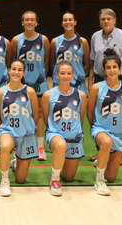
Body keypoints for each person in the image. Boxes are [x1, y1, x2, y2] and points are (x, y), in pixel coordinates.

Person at [88, 8, 122, 164]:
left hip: (120, 79)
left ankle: (121, 154)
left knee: (119, 115)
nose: (106, 21)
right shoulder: (95, 36)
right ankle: (103, 151)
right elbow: (92, 61)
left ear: (115, 20)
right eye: (103, 19)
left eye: (109, 18)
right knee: (100, 116)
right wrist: (90, 81)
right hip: (99, 78)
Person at [87, 49, 122, 196]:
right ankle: (99, 181)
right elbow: (90, 112)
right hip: (101, 129)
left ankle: (103, 160)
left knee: (112, 178)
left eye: (114, 67)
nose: (112, 70)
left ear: (120, 68)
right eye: (108, 67)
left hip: (119, 133)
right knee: (106, 142)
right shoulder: (97, 87)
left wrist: (118, 125)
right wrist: (96, 128)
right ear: (104, 69)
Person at [0, 59, 40, 197]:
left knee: (21, 180)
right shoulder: (1, 91)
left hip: (25, 134)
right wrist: (0, 139)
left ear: (24, 73)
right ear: (9, 70)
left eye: (19, 70)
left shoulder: (30, 91)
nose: (16, 72)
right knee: (5, 147)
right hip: (8, 131)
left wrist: (28, 128)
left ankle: (15, 164)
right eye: (14, 69)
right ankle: (4, 180)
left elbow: (36, 115)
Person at [41, 61, 87, 196]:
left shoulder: (81, 95)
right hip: (55, 135)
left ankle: (60, 168)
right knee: (60, 145)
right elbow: (46, 118)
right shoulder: (48, 95)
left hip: (74, 139)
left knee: (69, 177)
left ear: (73, 75)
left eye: (68, 73)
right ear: (57, 75)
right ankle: (54, 181)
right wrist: (55, 133)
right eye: (62, 73)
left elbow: (81, 118)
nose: (65, 76)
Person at [10, 11, 50, 161]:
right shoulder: (16, 40)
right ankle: (17, 147)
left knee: (38, 113)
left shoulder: (43, 39)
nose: (29, 22)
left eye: (32, 20)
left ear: (36, 22)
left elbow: (47, 61)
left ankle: (40, 147)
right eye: (27, 20)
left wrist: (39, 74)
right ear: (22, 22)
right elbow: (12, 60)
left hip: (39, 81)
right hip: (22, 82)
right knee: (19, 113)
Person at [50, 11, 90, 94]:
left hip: (78, 83)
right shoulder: (55, 41)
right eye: (65, 20)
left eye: (70, 20)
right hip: (60, 83)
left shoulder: (82, 41)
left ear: (75, 22)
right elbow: (52, 64)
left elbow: (87, 64)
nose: (68, 22)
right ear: (62, 23)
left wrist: (80, 76)